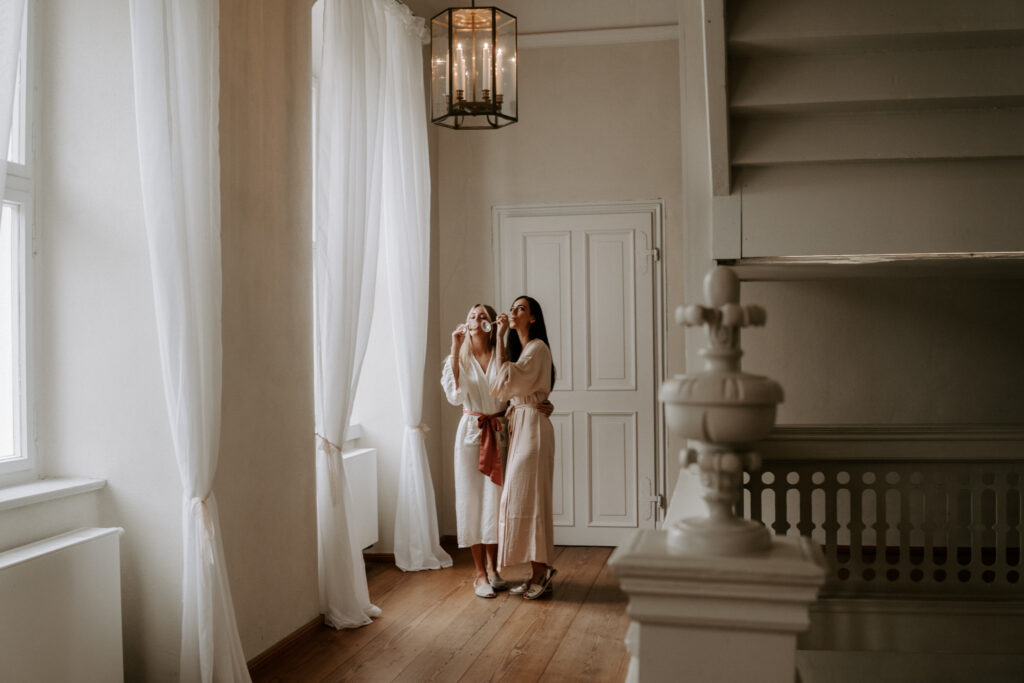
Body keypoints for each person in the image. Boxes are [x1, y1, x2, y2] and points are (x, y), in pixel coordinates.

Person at [441, 304, 512, 598]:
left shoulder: (500, 354)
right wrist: (456, 349)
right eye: (471, 315)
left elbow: (506, 387)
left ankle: (494, 569)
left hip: (497, 430)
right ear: (466, 323)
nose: (476, 319)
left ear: (490, 323)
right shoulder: (457, 358)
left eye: (483, 315)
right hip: (471, 431)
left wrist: (504, 335)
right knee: (471, 499)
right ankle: (478, 572)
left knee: (494, 501)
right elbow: (453, 395)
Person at [491, 295, 558, 600]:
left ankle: (541, 573)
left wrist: (502, 336)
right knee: (522, 499)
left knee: (531, 499)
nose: (514, 311)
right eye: (513, 307)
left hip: (532, 428)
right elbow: (506, 387)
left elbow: (509, 380)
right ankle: (537, 571)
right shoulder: (526, 351)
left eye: (521, 308)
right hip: (524, 423)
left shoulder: (538, 348)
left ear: (532, 318)